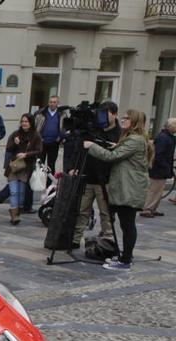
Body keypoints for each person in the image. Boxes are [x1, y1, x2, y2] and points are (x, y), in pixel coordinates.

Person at [83, 109, 153, 271]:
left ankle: (126, 260)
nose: (123, 119)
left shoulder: (134, 140)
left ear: (134, 121)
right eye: (124, 117)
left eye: (127, 118)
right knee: (126, 224)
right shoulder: (132, 139)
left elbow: (111, 157)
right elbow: (121, 154)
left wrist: (92, 146)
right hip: (128, 187)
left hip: (130, 189)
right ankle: (125, 256)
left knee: (128, 225)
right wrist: (117, 146)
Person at [70, 101, 120, 248]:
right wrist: (74, 167)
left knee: (106, 212)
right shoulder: (93, 129)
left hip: (106, 178)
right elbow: (79, 149)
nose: (102, 117)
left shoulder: (119, 134)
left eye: (107, 113)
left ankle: (108, 240)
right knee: (82, 210)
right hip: (87, 175)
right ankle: (75, 238)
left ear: (114, 114)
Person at [2, 113, 42, 225]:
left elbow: (39, 151)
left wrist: (26, 154)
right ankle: (14, 216)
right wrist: (15, 144)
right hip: (14, 167)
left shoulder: (36, 135)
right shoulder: (16, 134)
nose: (24, 123)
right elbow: (8, 148)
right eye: (22, 121)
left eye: (26, 121)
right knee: (14, 192)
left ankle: (16, 212)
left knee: (21, 193)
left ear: (31, 123)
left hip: (26, 167)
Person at [142, 117, 176, 217]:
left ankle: (152, 209)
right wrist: (165, 166)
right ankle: (147, 209)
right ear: (170, 126)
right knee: (154, 190)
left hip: (161, 169)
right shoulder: (164, 138)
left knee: (159, 191)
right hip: (158, 169)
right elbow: (158, 155)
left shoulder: (168, 137)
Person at [35, 95, 64, 174]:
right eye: (50, 102)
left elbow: (64, 128)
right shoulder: (41, 113)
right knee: (40, 164)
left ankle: (49, 184)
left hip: (54, 143)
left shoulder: (61, 114)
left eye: (54, 102)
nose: (52, 104)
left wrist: (59, 138)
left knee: (51, 164)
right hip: (42, 142)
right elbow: (35, 126)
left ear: (57, 103)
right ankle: (39, 184)